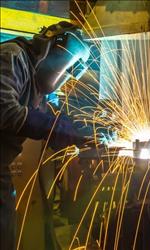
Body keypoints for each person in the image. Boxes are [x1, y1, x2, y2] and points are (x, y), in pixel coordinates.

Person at [0, 21, 90, 250]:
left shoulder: (40, 86)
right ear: (54, 49)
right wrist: (58, 128)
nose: (66, 78)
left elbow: (53, 121)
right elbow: (5, 109)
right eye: (68, 69)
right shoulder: (13, 57)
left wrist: (86, 133)